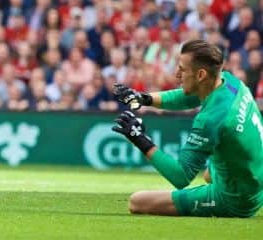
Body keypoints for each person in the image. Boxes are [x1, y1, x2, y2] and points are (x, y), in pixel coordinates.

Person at [111, 39, 263, 217]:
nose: (176, 75)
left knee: (137, 201)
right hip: (256, 177)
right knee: (208, 175)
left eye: (182, 70)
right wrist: (145, 99)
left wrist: (139, 138)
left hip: (238, 199)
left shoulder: (210, 120)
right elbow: (190, 97)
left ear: (200, 75)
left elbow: (181, 177)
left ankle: (227, 200)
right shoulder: (231, 83)